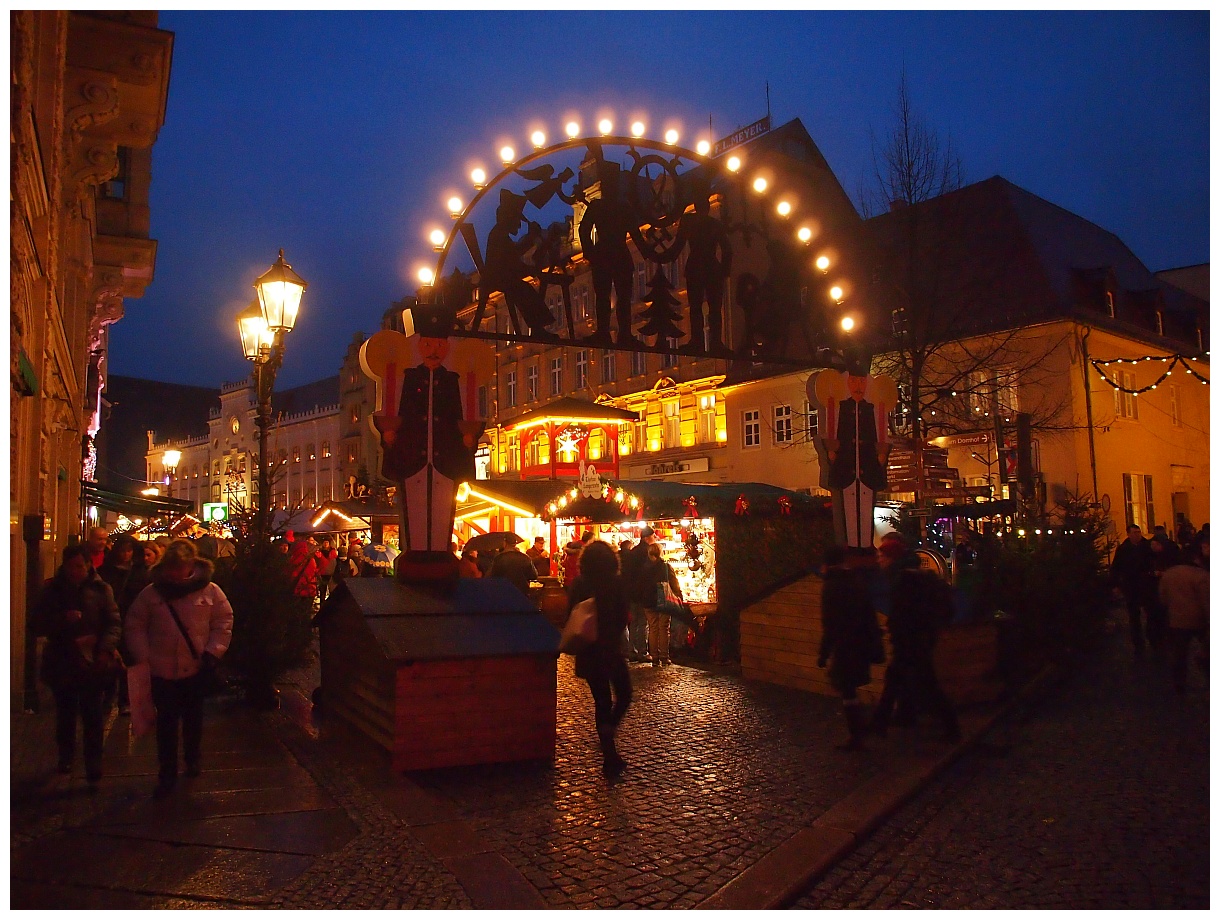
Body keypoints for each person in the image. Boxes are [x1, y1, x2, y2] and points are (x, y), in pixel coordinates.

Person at [126, 539, 233, 797]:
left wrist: (213, 651)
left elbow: (223, 621)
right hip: (161, 669)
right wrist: (144, 657)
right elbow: (135, 624)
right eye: (173, 569)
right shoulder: (152, 594)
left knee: (194, 718)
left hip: (195, 667)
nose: (177, 574)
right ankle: (167, 771)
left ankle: (192, 759)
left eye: (181, 568)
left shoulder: (210, 591)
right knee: (166, 722)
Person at [33, 545, 123, 785]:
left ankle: (93, 762)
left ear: (88, 565)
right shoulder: (52, 590)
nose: (76, 571)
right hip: (62, 659)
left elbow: (113, 622)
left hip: (91, 661)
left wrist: (105, 648)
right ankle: (66, 757)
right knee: (65, 713)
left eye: (80, 566)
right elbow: (37, 624)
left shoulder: (101, 589)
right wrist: (63, 620)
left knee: (92, 714)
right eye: (71, 566)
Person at [870, 535, 961, 743]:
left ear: (892, 558)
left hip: (910, 641)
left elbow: (905, 612)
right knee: (900, 682)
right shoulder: (911, 576)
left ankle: (951, 727)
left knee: (921, 684)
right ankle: (888, 721)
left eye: (882, 557)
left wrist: (896, 629)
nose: (879, 561)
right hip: (917, 639)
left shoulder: (904, 580)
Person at [566, 540, 632, 778]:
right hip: (610, 649)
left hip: (589, 651)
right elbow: (623, 615)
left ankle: (609, 752)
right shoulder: (614, 582)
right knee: (625, 694)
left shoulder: (580, 584)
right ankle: (609, 734)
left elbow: (570, 613)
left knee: (601, 701)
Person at [818, 546, 885, 750]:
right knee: (849, 688)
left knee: (847, 689)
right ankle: (861, 729)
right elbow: (869, 614)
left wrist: (823, 653)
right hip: (860, 643)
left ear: (827, 565)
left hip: (845, 645)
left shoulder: (831, 586)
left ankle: (857, 735)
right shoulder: (855, 582)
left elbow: (831, 623)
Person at [98, 534, 150, 714]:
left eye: (129, 551)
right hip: (110, 620)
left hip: (132, 621)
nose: (125, 555)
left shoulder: (140, 573)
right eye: (122, 550)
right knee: (110, 659)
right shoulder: (106, 572)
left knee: (128, 662)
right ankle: (109, 697)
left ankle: (124, 700)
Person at [1159, 544, 1209, 694]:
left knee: (1180, 653)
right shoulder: (1201, 575)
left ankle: (1179, 683)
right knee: (1207, 651)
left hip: (1177, 620)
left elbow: (1163, 598)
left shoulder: (1169, 574)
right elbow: (1206, 600)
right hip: (1198, 620)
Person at [1111, 524, 1158, 653]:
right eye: (1135, 532)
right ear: (1129, 534)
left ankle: (1152, 637)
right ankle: (1138, 642)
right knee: (1134, 616)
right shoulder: (1123, 549)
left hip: (1146, 585)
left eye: (1139, 532)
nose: (1137, 534)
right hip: (1131, 586)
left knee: (1151, 613)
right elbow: (1116, 567)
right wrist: (1116, 584)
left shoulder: (1147, 546)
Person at [643, 543, 683, 667]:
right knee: (663, 628)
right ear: (660, 553)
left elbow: (640, 586)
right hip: (664, 600)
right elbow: (674, 583)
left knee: (653, 628)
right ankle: (664, 657)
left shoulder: (644, 568)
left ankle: (654, 657)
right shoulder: (665, 567)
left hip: (648, 601)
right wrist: (679, 595)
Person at [620, 527, 657, 663]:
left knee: (634, 622)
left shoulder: (633, 552)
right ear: (647, 538)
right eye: (654, 536)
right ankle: (642, 651)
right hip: (642, 592)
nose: (655, 538)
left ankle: (632, 651)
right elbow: (646, 575)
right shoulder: (647, 553)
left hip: (632, 592)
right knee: (642, 623)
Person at [288, 537, 320, 602]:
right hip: (309, 590)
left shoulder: (292, 559)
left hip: (296, 589)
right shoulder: (311, 560)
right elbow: (314, 572)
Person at [315, 537, 339, 603]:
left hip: (331, 574)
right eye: (324, 542)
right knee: (322, 591)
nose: (326, 544)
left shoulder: (333, 551)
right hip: (322, 574)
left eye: (327, 542)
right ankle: (322, 605)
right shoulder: (319, 552)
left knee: (332, 591)